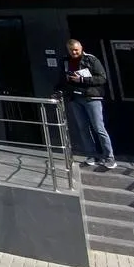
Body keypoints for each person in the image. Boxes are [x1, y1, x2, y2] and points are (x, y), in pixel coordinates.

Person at [56, 38, 115, 169]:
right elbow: (62, 79)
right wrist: (60, 89)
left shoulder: (91, 59)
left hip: (91, 97)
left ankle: (109, 157)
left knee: (98, 127)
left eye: (76, 50)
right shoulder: (65, 61)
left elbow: (102, 78)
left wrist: (82, 79)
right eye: (71, 50)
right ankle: (91, 155)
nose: (74, 52)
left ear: (81, 48)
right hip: (75, 98)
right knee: (83, 128)